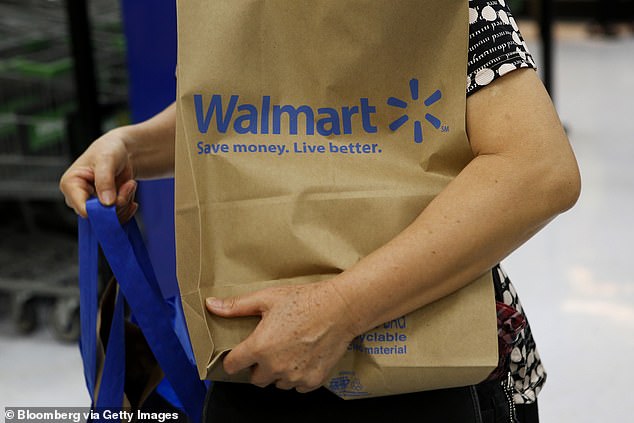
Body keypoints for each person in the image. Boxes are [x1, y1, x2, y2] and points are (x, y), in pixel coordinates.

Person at [60, 1, 581, 422]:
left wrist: (339, 311)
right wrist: (132, 146)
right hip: (255, 360)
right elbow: (255, 109)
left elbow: (538, 170)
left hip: (423, 361)